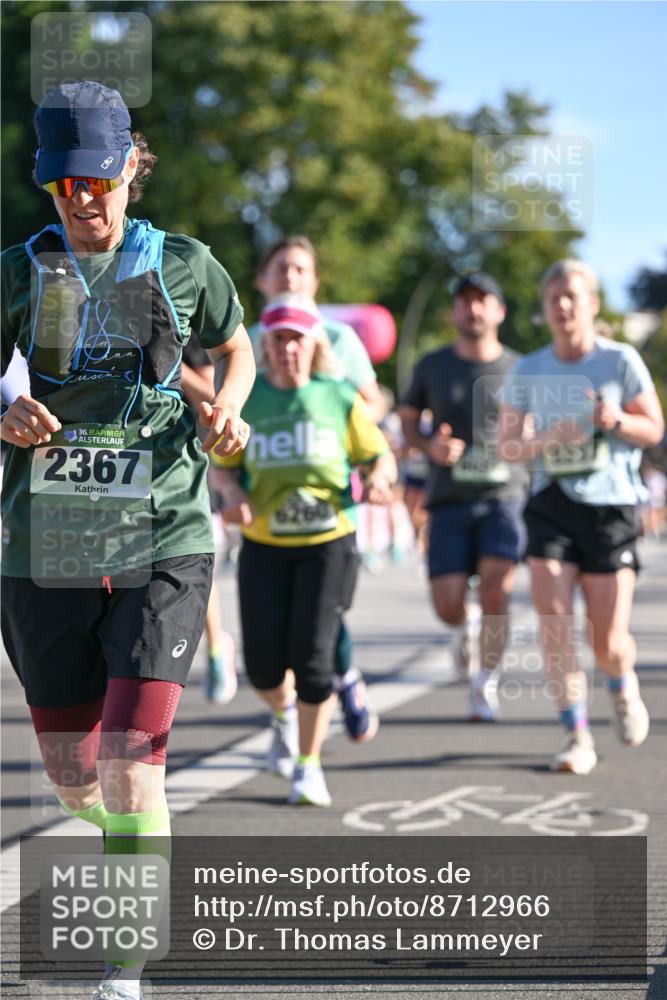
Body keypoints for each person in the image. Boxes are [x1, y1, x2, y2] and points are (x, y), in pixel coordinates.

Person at [0, 81, 255, 1000]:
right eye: (66, 186)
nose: (85, 201)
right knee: (76, 777)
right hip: (46, 548)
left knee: (129, 764)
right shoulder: (19, 271)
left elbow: (235, 347)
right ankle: (125, 831)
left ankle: (126, 964)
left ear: (128, 171)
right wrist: (4, 409)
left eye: (99, 181)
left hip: (163, 539)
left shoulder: (183, 264)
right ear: (49, 185)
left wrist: (228, 408)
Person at [212, 294, 396, 807]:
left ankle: (308, 765)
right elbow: (223, 469)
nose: (288, 348)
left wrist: (380, 479)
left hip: (327, 545)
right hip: (264, 545)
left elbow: (379, 457)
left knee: (313, 660)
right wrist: (232, 494)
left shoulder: (338, 396)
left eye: (297, 339)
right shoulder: (250, 400)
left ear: (314, 344)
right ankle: (283, 714)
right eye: (279, 340)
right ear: (265, 347)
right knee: (264, 668)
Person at [498, 259, 664, 774]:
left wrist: (615, 420)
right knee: (554, 625)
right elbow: (507, 446)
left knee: (607, 641)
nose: (563, 306)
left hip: (611, 507)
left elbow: (654, 429)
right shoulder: (529, 369)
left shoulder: (620, 360)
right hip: (552, 504)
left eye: (572, 296)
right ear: (544, 309)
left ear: (592, 304)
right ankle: (576, 734)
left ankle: (621, 683)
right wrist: (551, 438)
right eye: (553, 298)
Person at [250, 235, 384, 741]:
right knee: (282, 628)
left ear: (315, 281)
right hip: (265, 503)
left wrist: (330, 421)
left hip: (329, 498)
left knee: (320, 617)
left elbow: (372, 403)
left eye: (300, 269)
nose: (290, 277)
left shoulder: (339, 337)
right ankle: (300, 705)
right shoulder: (247, 339)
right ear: (262, 280)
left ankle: (339, 681)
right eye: (280, 268)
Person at [400, 273, 528, 720]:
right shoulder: (432, 365)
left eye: (482, 301)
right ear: (453, 312)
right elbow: (408, 420)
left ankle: (484, 680)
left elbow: (539, 425)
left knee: (496, 590)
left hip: (504, 496)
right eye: (464, 302)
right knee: (448, 604)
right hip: (449, 498)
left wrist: (524, 441)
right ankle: (464, 626)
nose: (472, 309)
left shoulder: (521, 368)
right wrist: (429, 445)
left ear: (499, 311)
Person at [181, 338, 238, 704]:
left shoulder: (184, 329)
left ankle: (217, 646)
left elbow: (211, 394)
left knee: (194, 564)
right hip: (123, 461)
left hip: (183, 461)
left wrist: (171, 365)